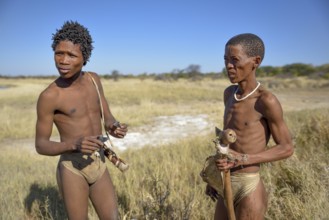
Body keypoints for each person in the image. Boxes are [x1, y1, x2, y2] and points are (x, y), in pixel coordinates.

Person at [35, 21, 128, 220]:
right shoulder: (50, 96)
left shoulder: (94, 80)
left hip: (99, 161)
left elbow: (107, 117)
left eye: (71, 55)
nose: (63, 60)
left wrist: (114, 127)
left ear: (84, 58)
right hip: (72, 168)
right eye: (59, 53)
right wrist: (74, 144)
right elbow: (40, 145)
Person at [205, 33, 294, 219]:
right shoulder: (229, 94)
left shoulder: (266, 100)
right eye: (226, 59)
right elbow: (226, 142)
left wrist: (242, 159)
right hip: (226, 181)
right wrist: (214, 177)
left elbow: (286, 148)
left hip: (249, 186)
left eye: (235, 60)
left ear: (256, 61)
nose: (229, 65)